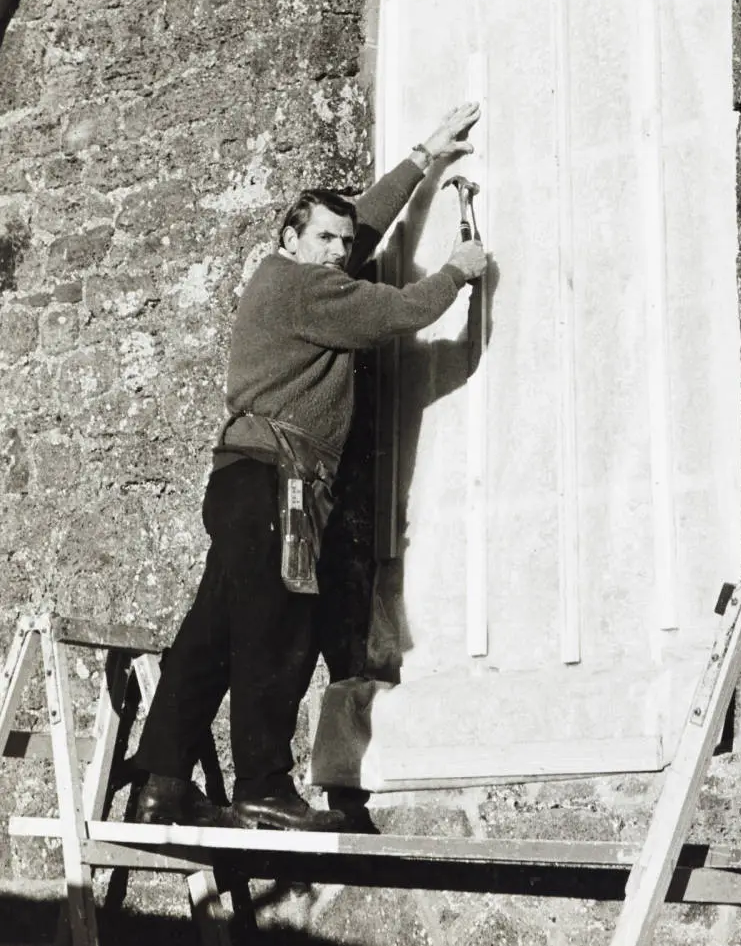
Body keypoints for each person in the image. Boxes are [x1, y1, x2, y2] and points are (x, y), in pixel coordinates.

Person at [133, 101, 487, 831]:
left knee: (209, 636)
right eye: (322, 237)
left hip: (247, 478)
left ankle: (160, 781)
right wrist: (457, 270)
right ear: (288, 239)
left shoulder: (294, 277)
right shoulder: (304, 285)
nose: (337, 249)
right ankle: (264, 784)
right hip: (276, 482)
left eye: (341, 240)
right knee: (279, 635)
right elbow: (399, 311)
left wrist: (422, 157)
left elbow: (363, 224)